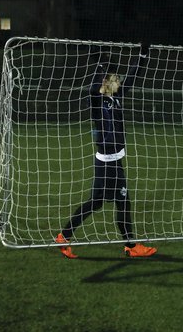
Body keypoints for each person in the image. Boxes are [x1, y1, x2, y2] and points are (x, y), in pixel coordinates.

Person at [55, 42, 157, 259]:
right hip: (107, 162)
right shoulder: (97, 100)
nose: (119, 81)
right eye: (115, 79)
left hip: (113, 161)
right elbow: (93, 87)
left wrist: (143, 56)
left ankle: (67, 236)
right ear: (106, 83)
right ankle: (128, 245)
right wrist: (101, 64)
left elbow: (133, 76)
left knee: (106, 202)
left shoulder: (117, 97)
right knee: (113, 201)